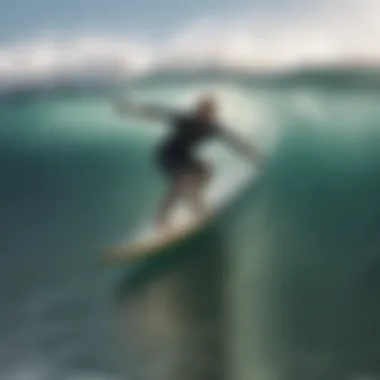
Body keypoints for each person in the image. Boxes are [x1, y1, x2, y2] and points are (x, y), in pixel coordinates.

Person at [115, 95, 263, 232]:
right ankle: (161, 219)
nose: (204, 115)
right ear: (197, 110)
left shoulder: (213, 128)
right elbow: (157, 112)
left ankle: (194, 201)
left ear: (212, 114)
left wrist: (251, 154)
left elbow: (233, 141)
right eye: (201, 111)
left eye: (208, 113)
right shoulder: (186, 120)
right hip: (167, 154)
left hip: (185, 156)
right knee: (181, 181)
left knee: (205, 172)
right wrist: (131, 109)